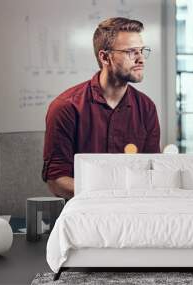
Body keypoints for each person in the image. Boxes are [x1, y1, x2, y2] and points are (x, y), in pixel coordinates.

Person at [41, 17, 160, 198]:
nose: (141, 59)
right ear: (105, 57)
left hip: (135, 212)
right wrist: (109, 196)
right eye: (131, 52)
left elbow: (153, 171)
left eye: (142, 51)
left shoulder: (146, 108)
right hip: (84, 214)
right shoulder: (65, 107)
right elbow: (57, 179)